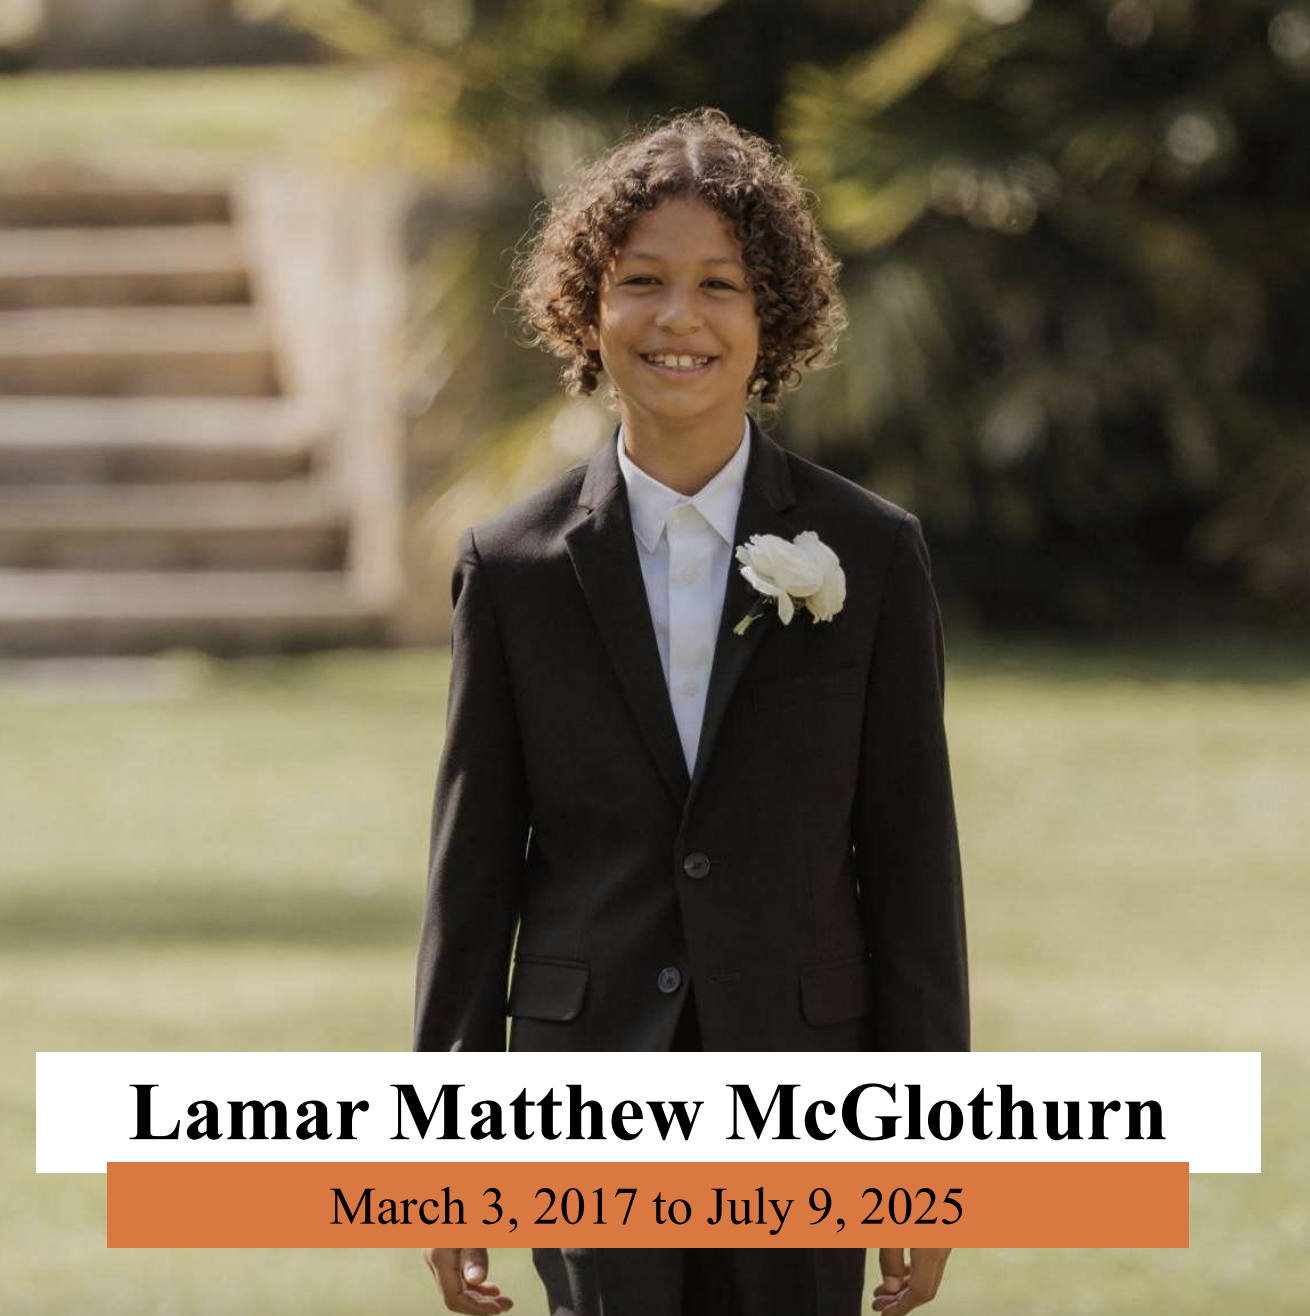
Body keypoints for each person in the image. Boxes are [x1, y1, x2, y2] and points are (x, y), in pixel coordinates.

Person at [415, 107, 968, 1315]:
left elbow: (914, 868)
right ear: (584, 308)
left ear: (771, 316)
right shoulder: (508, 568)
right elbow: (471, 880)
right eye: (641, 282)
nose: (678, 318)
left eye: (719, 284)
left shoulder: (869, 555)